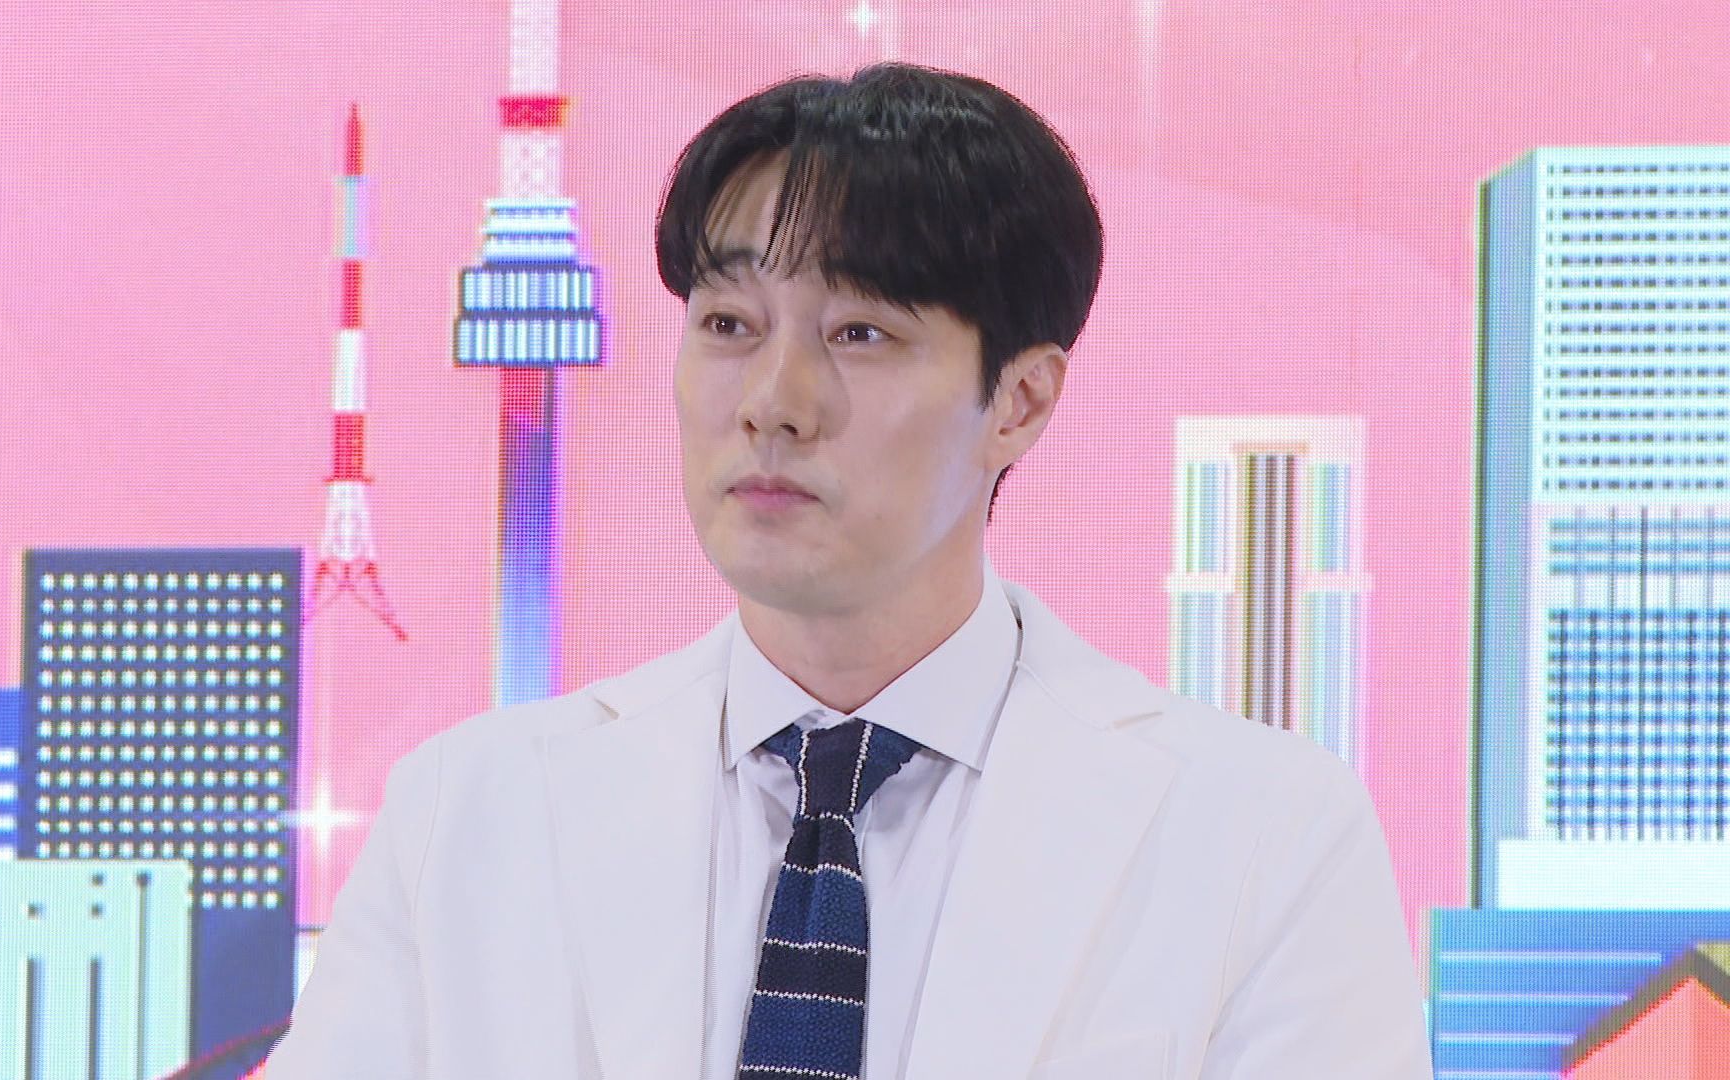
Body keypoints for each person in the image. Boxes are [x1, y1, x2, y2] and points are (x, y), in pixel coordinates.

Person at [268, 64, 1433, 1079]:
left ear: (1021, 400)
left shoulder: (1265, 837)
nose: (773, 404)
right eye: (729, 325)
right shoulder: (465, 816)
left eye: (858, 335)